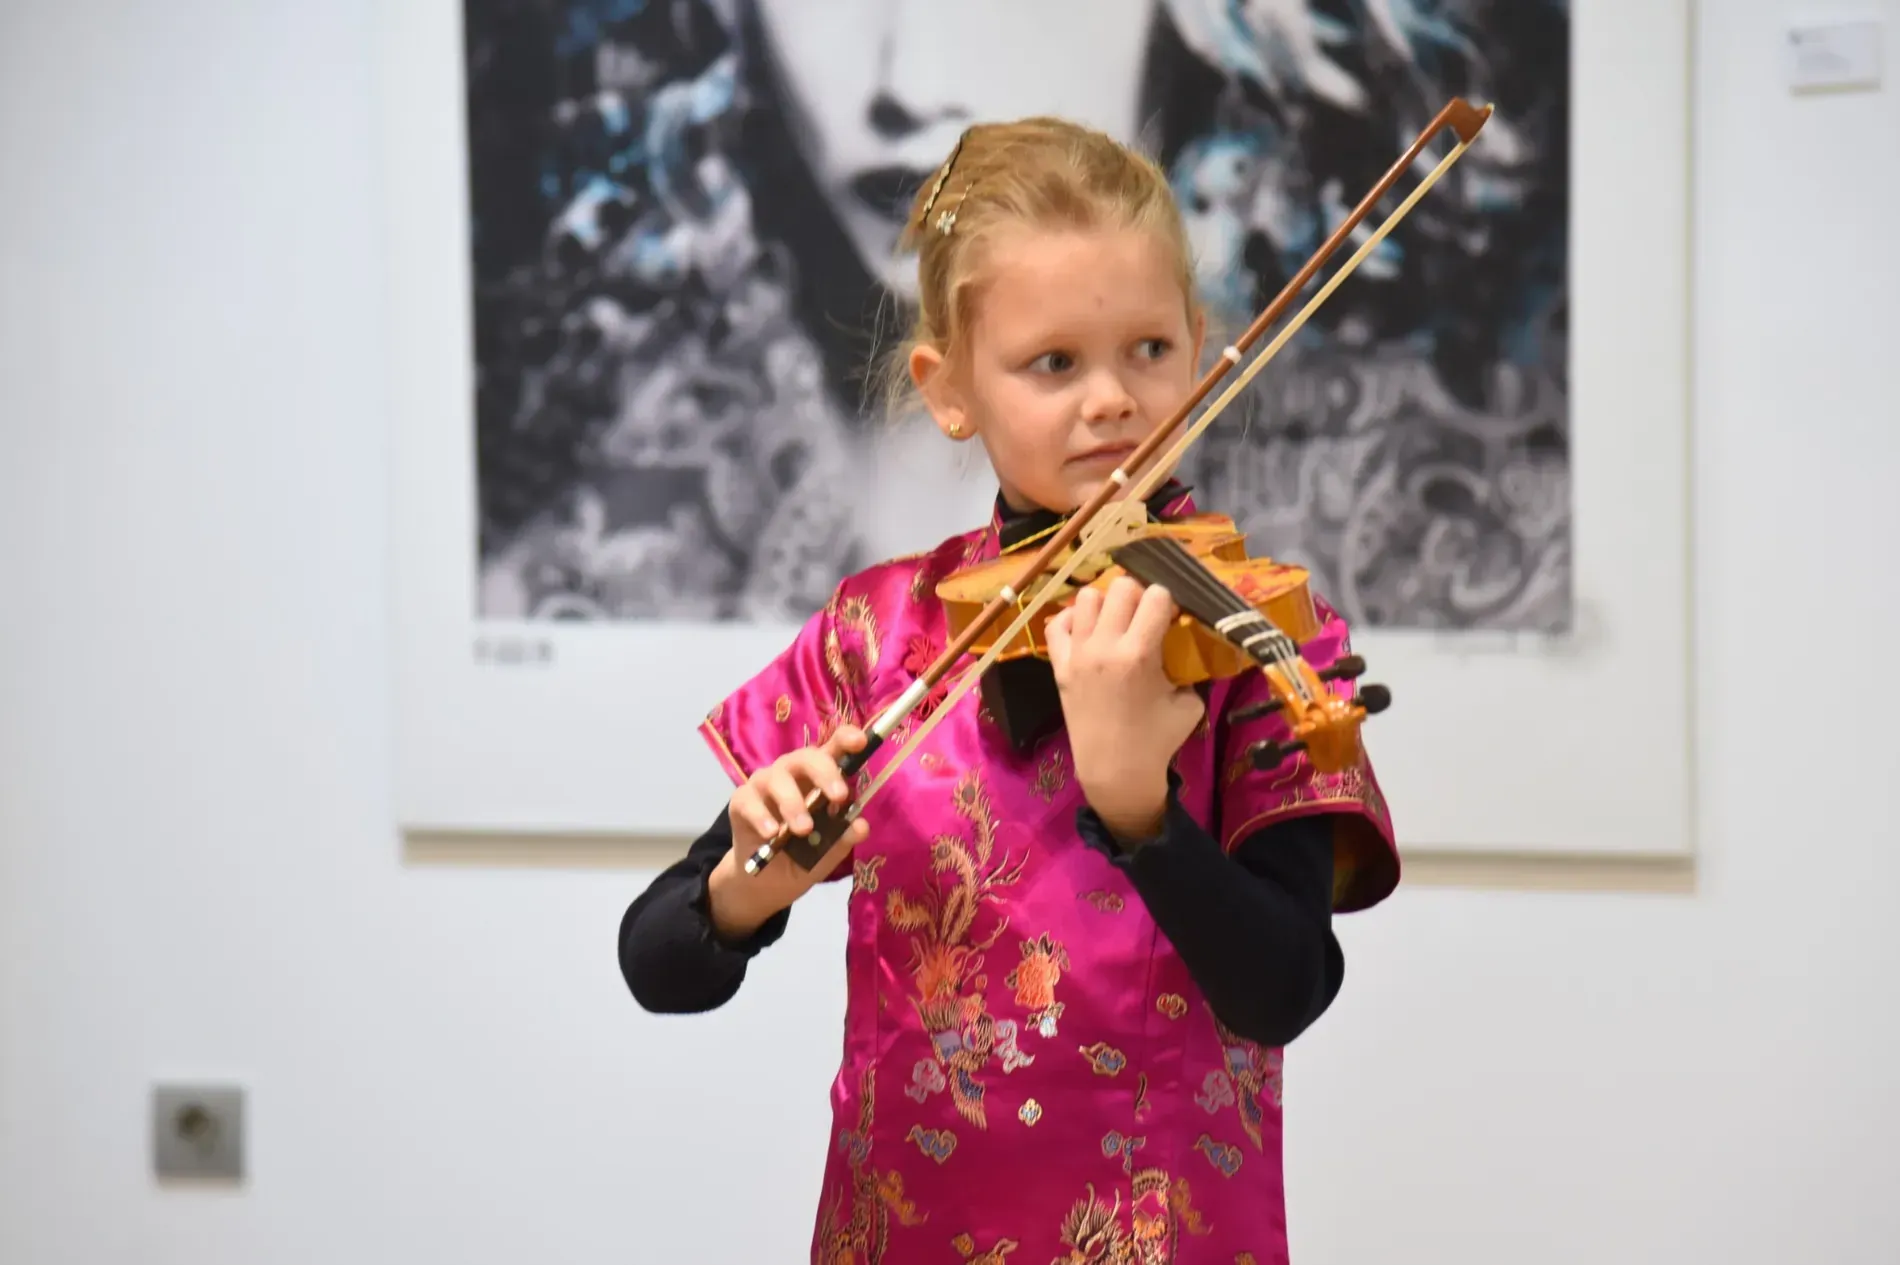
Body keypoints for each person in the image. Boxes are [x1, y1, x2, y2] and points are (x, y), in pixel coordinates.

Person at [617, 115, 1399, 1264]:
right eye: (1053, 364)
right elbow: (656, 963)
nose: (1113, 401)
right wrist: (748, 884)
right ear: (949, 387)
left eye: (1149, 349)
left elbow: (1284, 986)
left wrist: (1142, 810)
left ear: (1199, 343)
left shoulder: (1254, 636)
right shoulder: (878, 633)